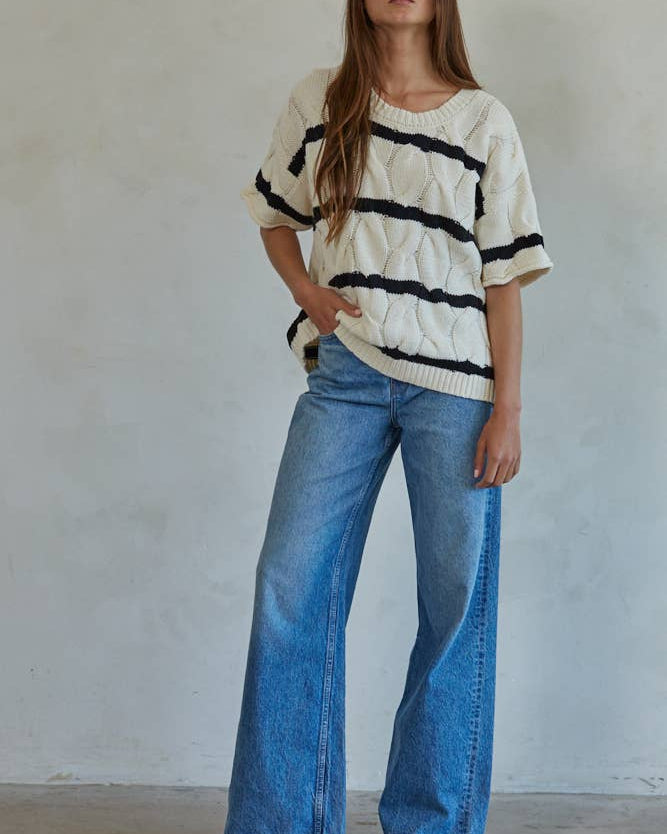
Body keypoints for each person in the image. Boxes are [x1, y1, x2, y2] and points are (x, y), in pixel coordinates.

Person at [226, 1, 554, 832]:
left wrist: (506, 410)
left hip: (457, 395)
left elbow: (503, 280)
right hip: (346, 377)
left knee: (453, 608)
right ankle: (281, 821)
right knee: (288, 587)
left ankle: (430, 821)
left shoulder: (484, 120)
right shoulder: (322, 101)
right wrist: (307, 293)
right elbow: (274, 214)